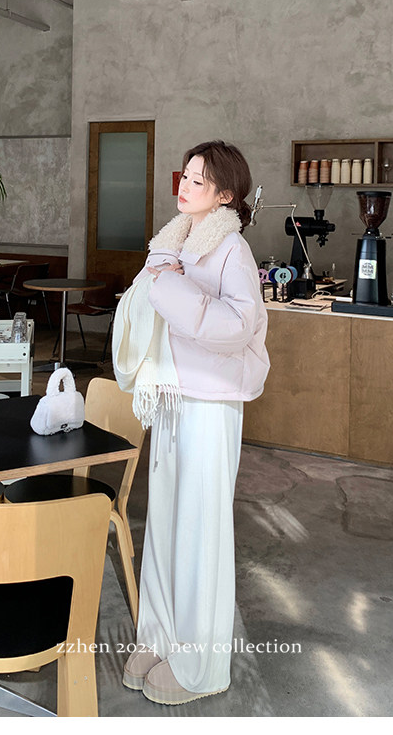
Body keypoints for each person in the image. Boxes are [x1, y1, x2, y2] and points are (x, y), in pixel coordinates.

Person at [112, 140, 269, 706]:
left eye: (200, 181)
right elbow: (144, 299)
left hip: (209, 401)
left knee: (200, 529)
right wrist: (161, 277)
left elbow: (237, 326)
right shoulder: (171, 241)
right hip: (171, 395)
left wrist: (168, 285)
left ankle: (200, 665)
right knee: (164, 526)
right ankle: (158, 638)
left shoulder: (232, 249)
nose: (186, 186)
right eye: (186, 176)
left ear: (225, 195)